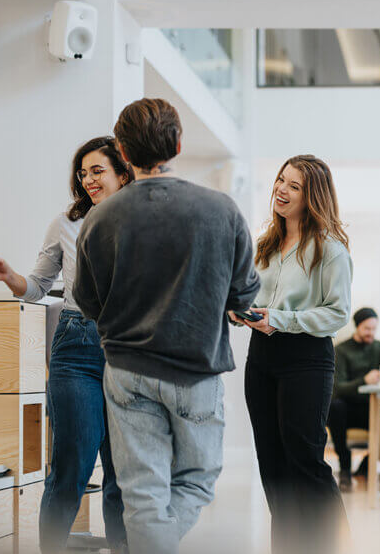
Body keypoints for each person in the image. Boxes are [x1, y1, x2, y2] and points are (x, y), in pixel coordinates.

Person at [74, 99, 261, 554]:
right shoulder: (221, 210)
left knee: (142, 495)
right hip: (194, 368)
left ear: (123, 151)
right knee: (196, 481)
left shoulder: (100, 218)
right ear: (178, 144)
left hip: (126, 370)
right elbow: (244, 293)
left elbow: (87, 301)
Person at [0, 137, 131, 554]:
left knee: (123, 472)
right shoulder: (67, 222)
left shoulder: (144, 222)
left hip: (128, 349)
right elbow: (37, 286)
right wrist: (9, 277)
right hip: (77, 347)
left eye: (97, 171)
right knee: (71, 466)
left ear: (123, 173)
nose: (88, 180)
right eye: (83, 173)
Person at [232, 154, 352, 554]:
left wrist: (280, 319)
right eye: (281, 180)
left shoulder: (330, 249)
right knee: (272, 464)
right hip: (262, 357)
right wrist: (238, 311)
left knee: (305, 461)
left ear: (312, 196)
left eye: (294, 186)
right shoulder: (265, 245)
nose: (281, 190)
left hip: (307, 358)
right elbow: (250, 297)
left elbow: (338, 313)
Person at [328, 307, 380, 492]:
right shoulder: (341, 350)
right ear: (357, 327)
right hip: (346, 409)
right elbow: (338, 388)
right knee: (335, 407)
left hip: (369, 409)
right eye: (367, 329)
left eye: (374, 329)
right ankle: (345, 468)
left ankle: (366, 466)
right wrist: (364, 381)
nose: (370, 333)